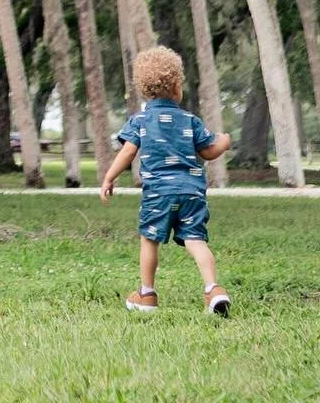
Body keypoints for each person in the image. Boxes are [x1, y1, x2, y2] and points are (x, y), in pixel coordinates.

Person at [99, 43, 233, 317]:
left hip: (158, 194)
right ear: (175, 87)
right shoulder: (190, 121)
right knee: (197, 240)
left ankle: (147, 294)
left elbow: (127, 152)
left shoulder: (140, 121)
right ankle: (214, 289)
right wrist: (224, 141)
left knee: (149, 239)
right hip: (192, 192)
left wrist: (109, 178)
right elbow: (208, 151)